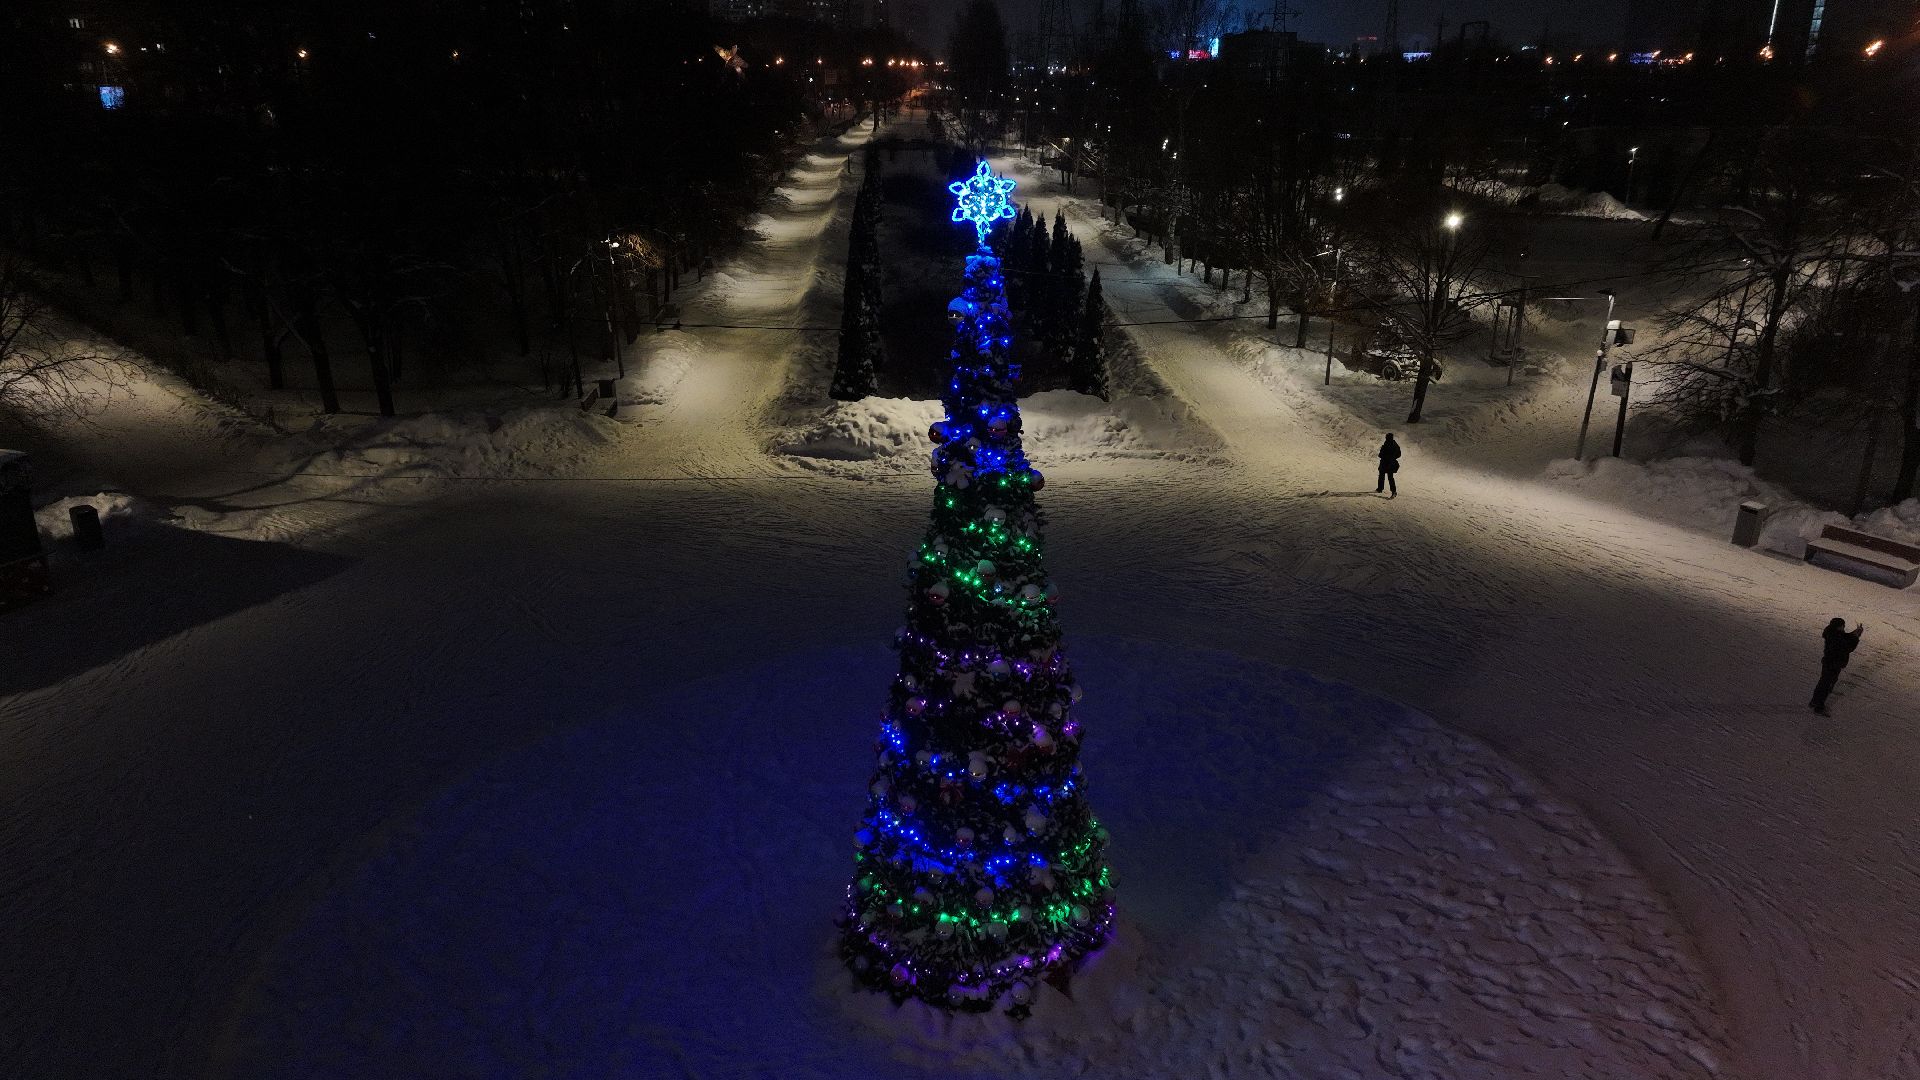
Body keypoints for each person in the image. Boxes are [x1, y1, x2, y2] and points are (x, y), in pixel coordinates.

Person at [1810, 617, 1864, 715]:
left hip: (1829, 663)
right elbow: (1848, 648)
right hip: (1834, 664)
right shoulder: (1836, 637)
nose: (1844, 627)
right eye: (1843, 626)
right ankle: (1819, 707)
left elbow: (1845, 637)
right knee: (1826, 685)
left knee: (1823, 682)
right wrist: (1856, 637)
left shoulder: (1833, 633)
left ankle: (1814, 701)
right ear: (1839, 627)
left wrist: (1855, 632)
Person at [1376, 433, 1402, 497]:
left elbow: (1381, 454)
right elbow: (1399, 454)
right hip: (1388, 463)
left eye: (1386, 437)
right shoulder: (1394, 445)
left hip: (1387, 463)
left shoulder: (1389, 444)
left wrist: (1390, 457)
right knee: (1387, 477)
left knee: (1386, 476)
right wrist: (1393, 458)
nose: (1386, 438)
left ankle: (1389, 490)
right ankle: (1382, 489)